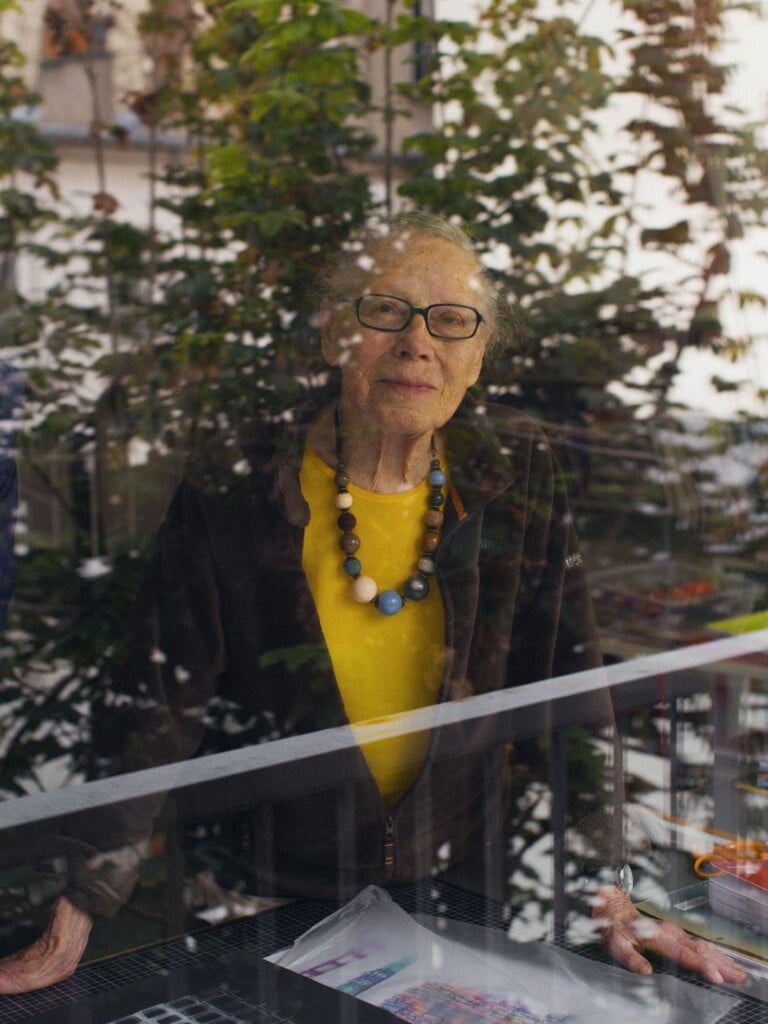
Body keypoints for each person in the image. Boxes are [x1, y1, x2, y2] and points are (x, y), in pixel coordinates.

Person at [0, 212, 746, 994]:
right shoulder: (241, 483)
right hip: (266, 899)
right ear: (332, 334)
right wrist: (83, 903)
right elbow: (156, 698)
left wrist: (611, 882)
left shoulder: (515, 468)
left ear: (480, 355)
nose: (417, 343)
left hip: (463, 892)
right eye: (384, 310)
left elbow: (569, 684)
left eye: (453, 322)